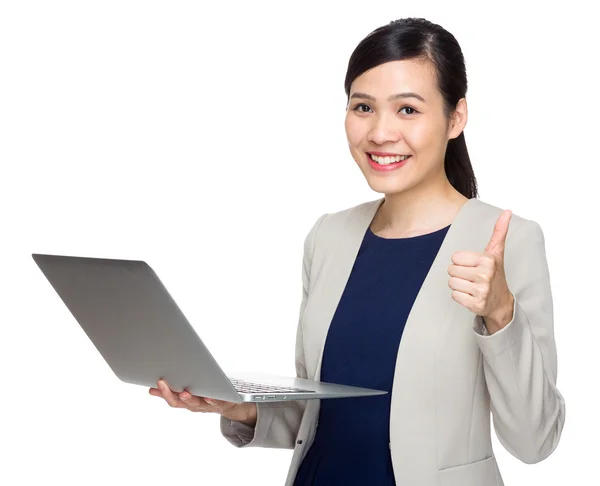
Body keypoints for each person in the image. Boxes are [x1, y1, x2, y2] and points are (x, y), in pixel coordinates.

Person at [149, 17, 565, 485]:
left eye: (407, 110)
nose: (380, 133)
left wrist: (500, 314)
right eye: (363, 107)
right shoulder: (329, 236)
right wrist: (239, 407)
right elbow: (322, 414)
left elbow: (536, 439)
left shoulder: (508, 242)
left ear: (456, 118)